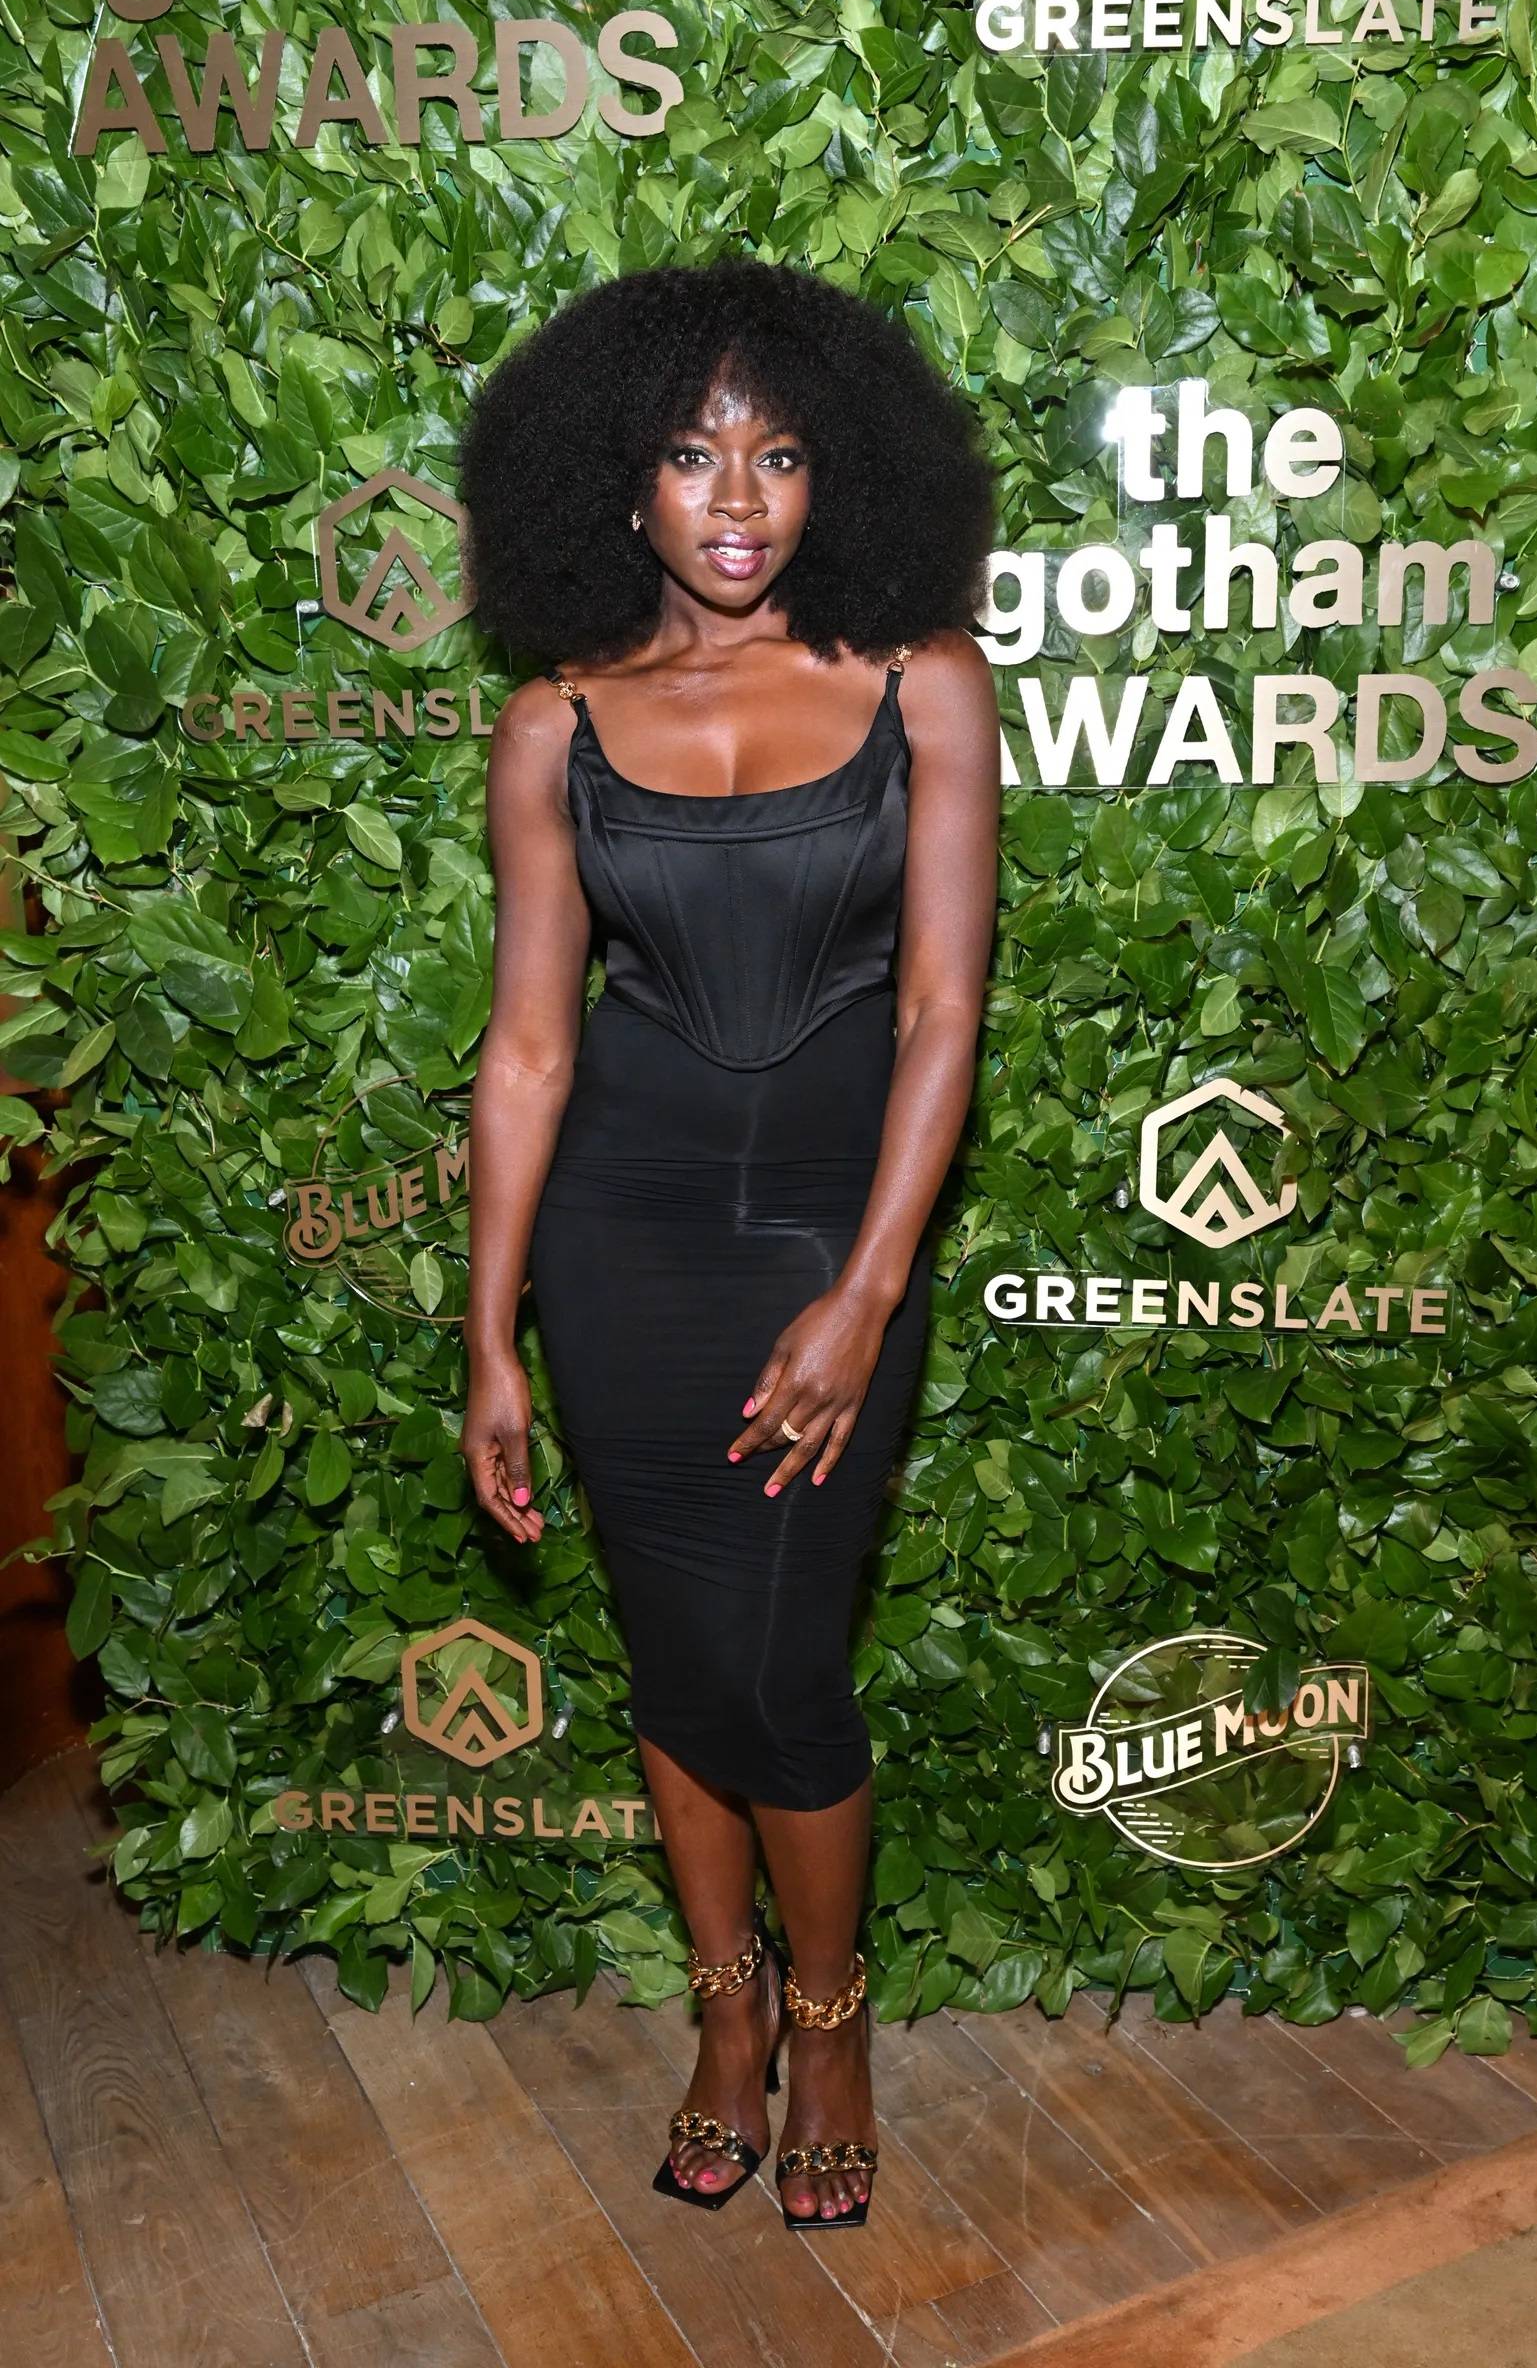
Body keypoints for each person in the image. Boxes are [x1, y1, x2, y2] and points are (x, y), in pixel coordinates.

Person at [456, 257, 999, 2229]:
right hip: (622, 1235)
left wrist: (861, 1294)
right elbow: (526, 1050)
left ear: (829, 475)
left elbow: (942, 1013)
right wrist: (491, 1337)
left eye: (774, 454)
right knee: (680, 1653)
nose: (736, 495)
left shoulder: (917, 676)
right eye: (690, 456)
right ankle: (720, 2017)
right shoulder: (554, 726)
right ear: (621, 489)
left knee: (775, 1664)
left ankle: (830, 2019)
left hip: (832, 1233)